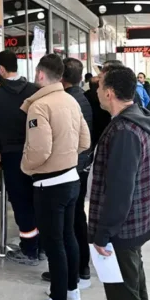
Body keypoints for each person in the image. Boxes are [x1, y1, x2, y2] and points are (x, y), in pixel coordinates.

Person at [90, 66, 150, 300]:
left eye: (100, 85)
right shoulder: (137, 118)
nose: (97, 90)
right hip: (135, 220)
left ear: (109, 92)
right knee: (133, 282)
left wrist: (104, 232)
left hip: (123, 226)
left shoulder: (124, 129)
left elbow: (120, 188)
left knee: (122, 292)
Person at [22, 54, 90, 300]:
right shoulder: (71, 100)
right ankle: (72, 292)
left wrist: (25, 167)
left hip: (48, 184)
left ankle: (58, 297)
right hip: (72, 179)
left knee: (54, 244)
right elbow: (85, 141)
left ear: (40, 75)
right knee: (68, 237)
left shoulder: (39, 106)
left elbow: (39, 151)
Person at [0, 50, 42, 265]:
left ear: (0, 69)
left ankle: (29, 249)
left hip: (12, 155)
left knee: (21, 202)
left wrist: (0, 148)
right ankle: (43, 245)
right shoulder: (35, 91)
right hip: (39, 154)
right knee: (39, 200)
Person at [40, 58, 93, 285]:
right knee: (73, 223)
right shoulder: (82, 98)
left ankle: (72, 271)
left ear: (61, 77)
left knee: (66, 228)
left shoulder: (68, 101)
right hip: (77, 167)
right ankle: (78, 268)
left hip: (68, 170)